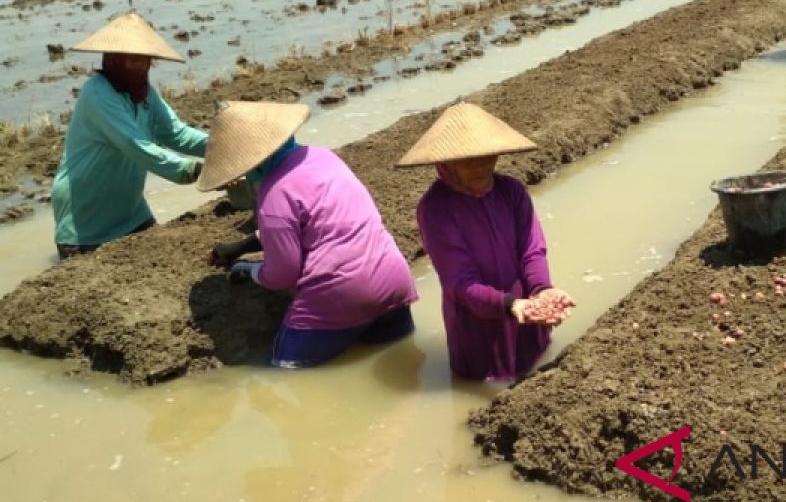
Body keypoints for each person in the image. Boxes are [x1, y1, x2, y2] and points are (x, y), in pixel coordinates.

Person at [200, 101, 418, 369]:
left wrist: (250, 269)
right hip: (393, 283)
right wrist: (244, 245)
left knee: (286, 375)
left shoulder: (273, 197)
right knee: (399, 361)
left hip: (340, 296)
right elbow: (321, 222)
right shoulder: (323, 157)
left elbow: (283, 275)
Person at [399, 102, 575, 382]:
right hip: (476, 323)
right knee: (486, 385)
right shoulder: (436, 209)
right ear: (446, 163)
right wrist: (507, 305)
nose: (481, 166)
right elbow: (460, 281)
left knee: (538, 374)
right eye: (469, 159)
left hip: (527, 313)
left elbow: (532, 251)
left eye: (488, 156)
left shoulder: (511, 191)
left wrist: (542, 291)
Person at [51, 12, 208, 259]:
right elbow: (137, 146)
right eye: (133, 60)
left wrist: (223, 145)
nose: (142, 68)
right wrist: (194, 170)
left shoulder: (144, 92)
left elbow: (175, 133)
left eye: (145, 60)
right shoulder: (97, 95)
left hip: (131, 211)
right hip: (87, 220)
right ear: (112, 61)